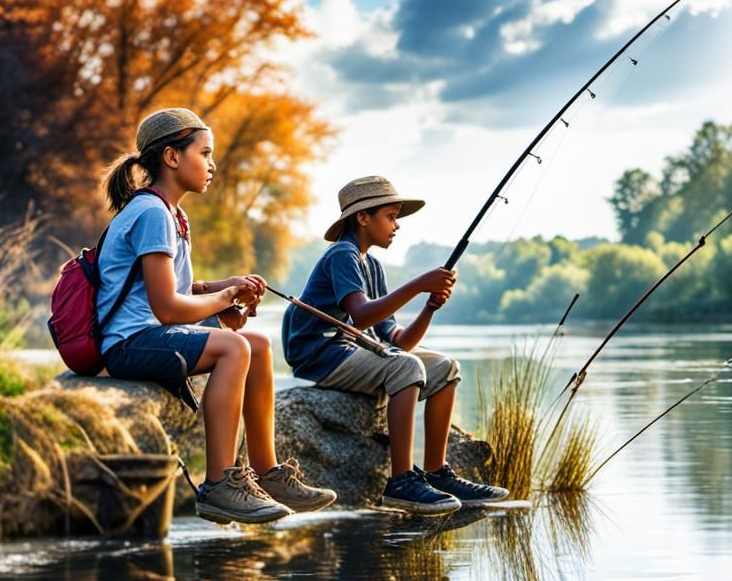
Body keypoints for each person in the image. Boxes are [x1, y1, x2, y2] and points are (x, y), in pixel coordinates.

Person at [97, 107, 336, 524]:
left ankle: (266, 472)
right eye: (204, 153)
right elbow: (167, 307)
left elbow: (168, 288)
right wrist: (225, 298)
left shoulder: (170, 213)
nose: (213, 164)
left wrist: (216, 288)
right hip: (127, 343)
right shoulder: (153, 213)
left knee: (257, 345)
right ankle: (220, 484)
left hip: (149, 332)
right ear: (172, 157)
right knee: (233, 348)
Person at [282, 175, 508, 515]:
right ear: (363, 218)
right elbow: (359, 316)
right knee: (406, 366)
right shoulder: (342, 254)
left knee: (446, 367)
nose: (397, 226)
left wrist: (429, 307)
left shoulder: (371, 264)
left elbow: (398, 340)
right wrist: (418, 284)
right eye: (390, 216)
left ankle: (436, 472)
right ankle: (400, 481)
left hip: (351, 350)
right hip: (321, 353)